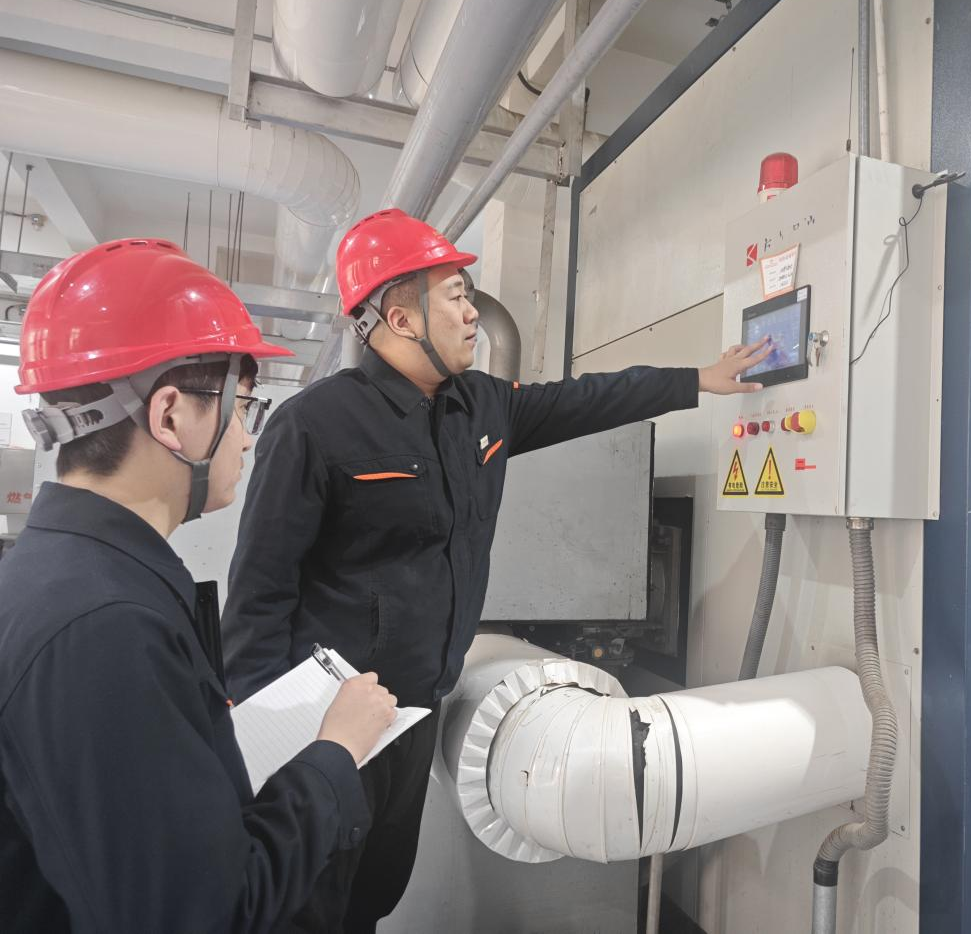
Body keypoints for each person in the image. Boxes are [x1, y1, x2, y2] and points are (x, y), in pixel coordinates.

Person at [222, 207, 771, 931]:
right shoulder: (314, 426)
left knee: (375, 891)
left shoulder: (479, 405)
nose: (471, 312)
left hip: (415, 711)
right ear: (400, 317)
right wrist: (266, 737)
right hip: (330, 721)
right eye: (455, 295)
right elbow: (259, 593)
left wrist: (699, 380)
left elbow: (588, 399)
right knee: (307, 902)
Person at [0, 239, 400, 933]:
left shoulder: (66, 575)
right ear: (169, 416)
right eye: (243, 406)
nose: (246, 439)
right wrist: (336, 753)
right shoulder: (105, 629)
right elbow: (203, 914)